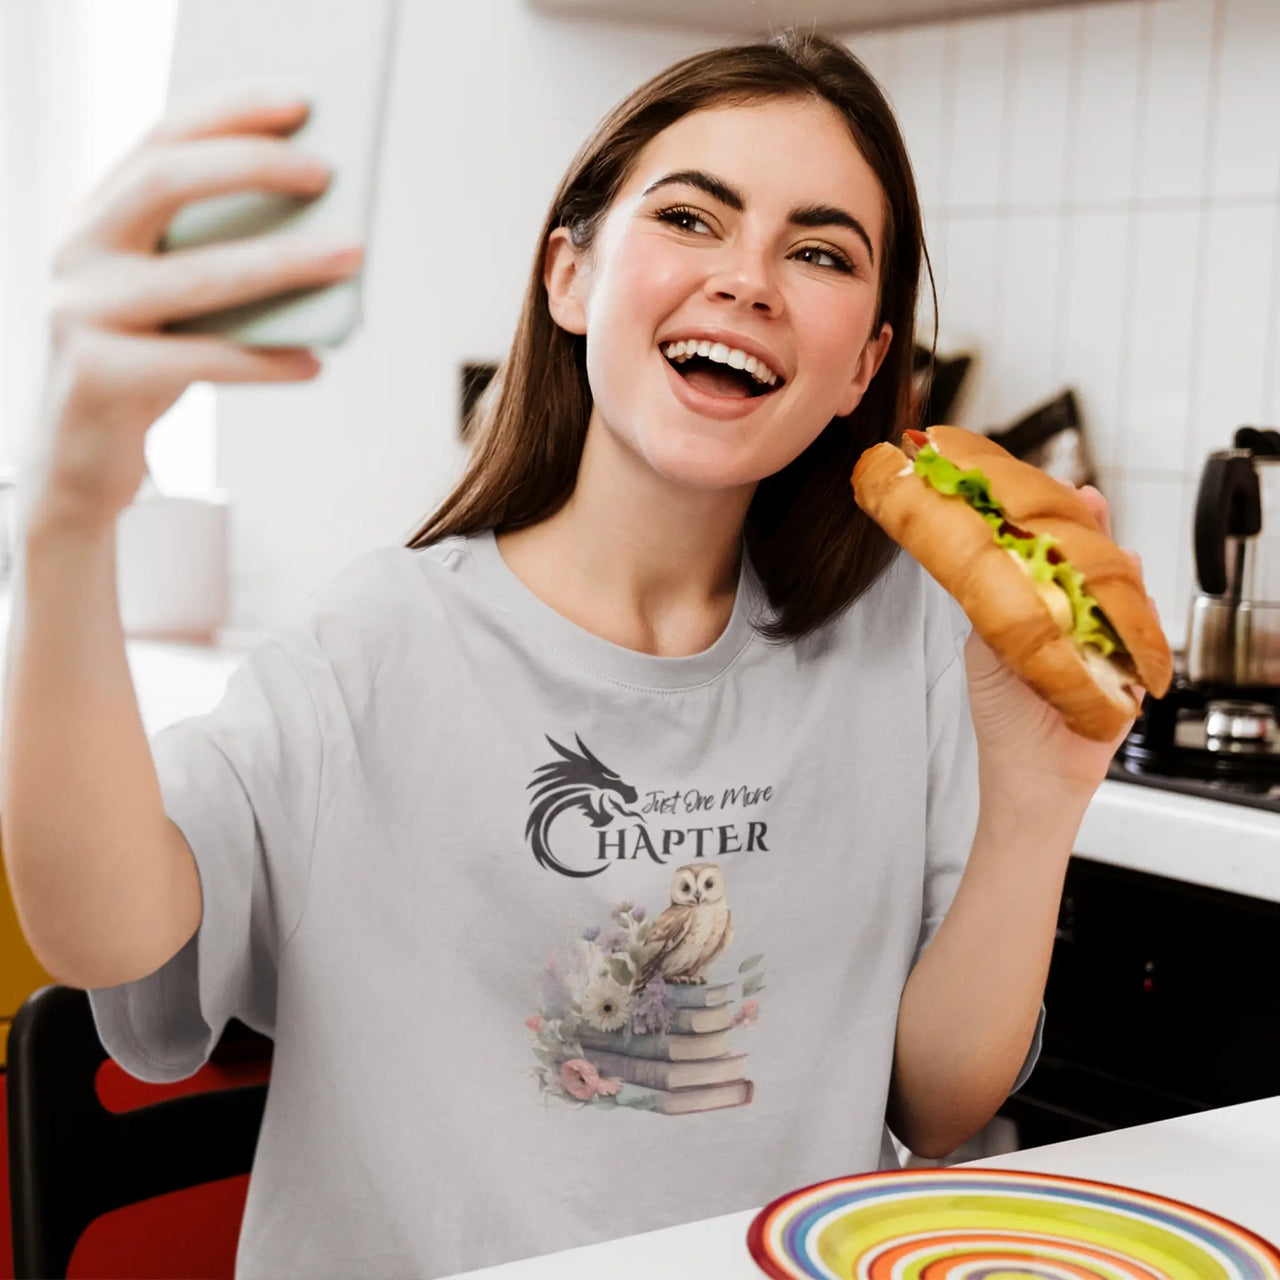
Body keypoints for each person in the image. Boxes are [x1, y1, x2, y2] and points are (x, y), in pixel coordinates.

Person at [2, 30, 1136, 1280]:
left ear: (864, 364)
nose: (748, 280)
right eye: (693, 218)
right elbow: (108, 938)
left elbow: (935, 1102)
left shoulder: (903, 643)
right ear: (569, 275)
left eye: (817, 253)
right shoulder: (375, 644)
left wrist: (1036, 800)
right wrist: (66, 522)